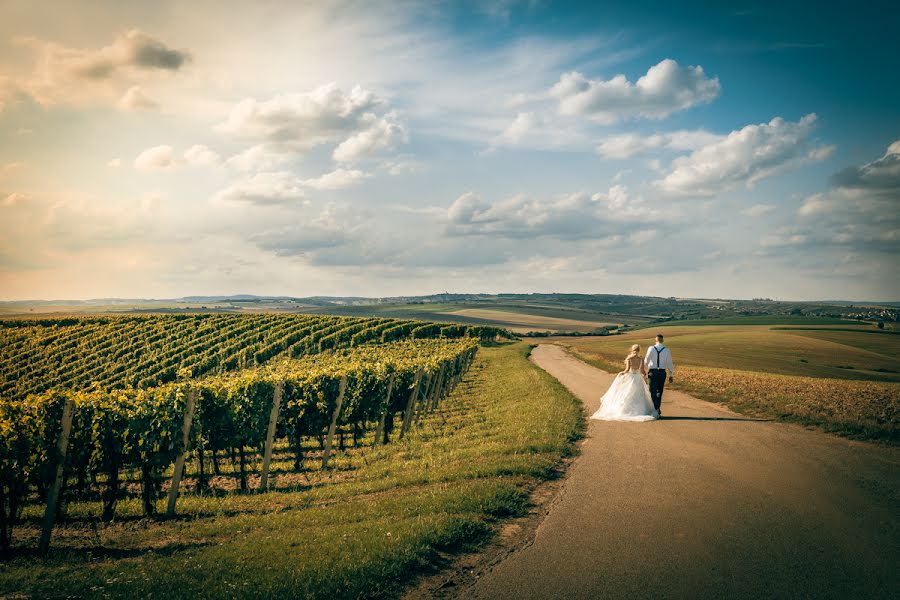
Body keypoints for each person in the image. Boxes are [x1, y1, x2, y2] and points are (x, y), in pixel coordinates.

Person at [590, 344, 659, 421]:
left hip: (631, 377)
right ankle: (641, 411)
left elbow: (627, 370)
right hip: (638, 378)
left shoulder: (629, 358)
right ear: (639, 350)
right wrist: (644, 374)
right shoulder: (641, 359)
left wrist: (621, 373)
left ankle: (626, 411)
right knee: (638, 394)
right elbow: (642, 371)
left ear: (632, 349)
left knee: (628, 393)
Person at [644, 334, 675, 416]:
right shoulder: (667, 350)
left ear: (655, 340)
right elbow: (669, 363)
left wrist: (643, 369)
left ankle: (656, 408)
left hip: (652, 372)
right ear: (663, 340)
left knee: (652, 390)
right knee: (659, 391)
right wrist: (671, 374)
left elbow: (646, 360)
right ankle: (657, 408)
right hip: (662, 372)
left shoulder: (651, 348)